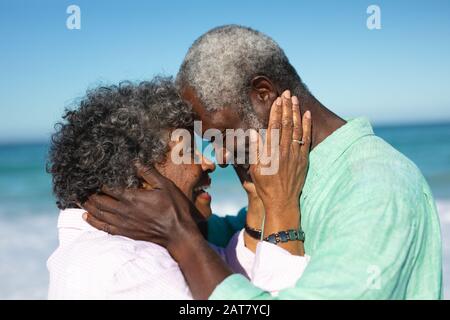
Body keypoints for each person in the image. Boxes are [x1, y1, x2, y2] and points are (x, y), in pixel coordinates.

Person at [84, 25, 443, 299]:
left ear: (263, 94)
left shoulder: (377, 189)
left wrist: (182, 239)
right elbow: (231, 240)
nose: (220, 157)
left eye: (221, 133)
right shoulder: (290, 174)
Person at [47, 77, 310, 299]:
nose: (209, 163)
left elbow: (227, 280)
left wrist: (258, 202)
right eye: (189, 152)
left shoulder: (130, 246)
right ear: (141, 176)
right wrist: (281, 206)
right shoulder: (127, 266)